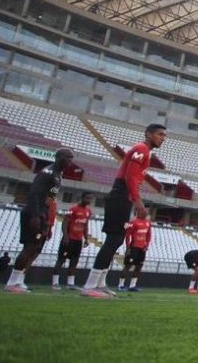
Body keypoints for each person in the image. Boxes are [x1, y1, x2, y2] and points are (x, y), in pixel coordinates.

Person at [81, 124, 166, 298]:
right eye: (160, 134)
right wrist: (138, 200)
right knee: (114, 239)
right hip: (120, 196)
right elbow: (130, 176)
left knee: (117, 239)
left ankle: (100, 283)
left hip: (124, 197)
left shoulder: (145, 152)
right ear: (148, 134)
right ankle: (90, 285)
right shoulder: (141, 149)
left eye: (164, 135)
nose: (163, 138)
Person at [6, 148, 73, 293]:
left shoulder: (58, 176)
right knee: (29, 247)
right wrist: (36, 215)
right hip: (33, 212)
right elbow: (34, 193)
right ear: (58, 157)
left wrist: (47, 219)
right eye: (67, 157)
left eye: (71, 158)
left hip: (43, 213)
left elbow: (50, 198)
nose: (70, 160)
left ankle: (18, 281)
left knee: (35, 248)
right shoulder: (47, 173)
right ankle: (12, 283)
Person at [51, 192, 93, 290]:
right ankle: (55, 283)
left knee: (74, 261)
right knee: (61, 260)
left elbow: (85, 225)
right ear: (82, 198)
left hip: (78, 241)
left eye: (90, 199)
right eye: (87, 198)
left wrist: (86, 239)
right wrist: (66, 237)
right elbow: (65, 223)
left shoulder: (88, 211)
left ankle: (70, 284)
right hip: (69, 239)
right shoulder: (72, 209)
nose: (89, 200)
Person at [117, 209, 151, 292]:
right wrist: (128, 247)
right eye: (144, 212)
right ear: (139, 213)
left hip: (142, 248)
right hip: (134, 247)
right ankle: (121, 285)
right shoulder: (133, 222)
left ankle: (132, 285)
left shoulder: (148, 223)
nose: (145, 213)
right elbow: (128, 235)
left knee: (139, 267)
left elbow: (148, 235)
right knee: (128, 266)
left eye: (146, 212)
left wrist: (146, 245)